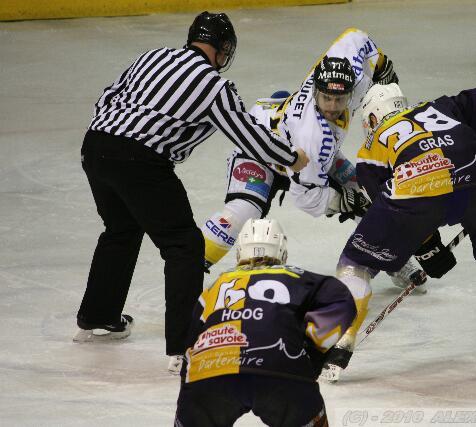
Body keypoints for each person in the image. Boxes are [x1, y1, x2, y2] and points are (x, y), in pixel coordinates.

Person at [72, 11, 309, 374]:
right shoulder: (213, 85)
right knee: (185, 245)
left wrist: (110, 139)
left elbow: (107, 96)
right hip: (141, 159)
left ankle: (98, 316)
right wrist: (290, 158)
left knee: (121, 229)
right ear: (223, 49)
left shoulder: (151, 56)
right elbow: (248, 136)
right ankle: (185, 345)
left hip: (96, 145)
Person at [321, 82, 476, 380]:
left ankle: (342, 340)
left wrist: (426, 246)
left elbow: (392, 210)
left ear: (372, 118)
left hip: (417, 194)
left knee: (356, 264)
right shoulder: (442, 109)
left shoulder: (371, 148)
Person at [200, 28, 427, 300]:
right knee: (244, 209)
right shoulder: (313, 136)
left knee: (366, 191)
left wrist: (381, 64)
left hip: (301, 147)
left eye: (339, 99)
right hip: (261, 150)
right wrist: (344, 201)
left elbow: (355, 37)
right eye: (326, 98)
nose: (332, 106)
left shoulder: (349, 70)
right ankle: (190, 265)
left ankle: (392, 257)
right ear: (316, 91)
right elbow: (306, 197)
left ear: (352, 89)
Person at [174, 218, 356, 427]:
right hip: (280, 370)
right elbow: (342, 300)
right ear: (282, 253)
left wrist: (190, 398)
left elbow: (189, 346)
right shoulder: (294, 276)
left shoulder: (214, 288)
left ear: (239, 252)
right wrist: (313, 351)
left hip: (209, 373)